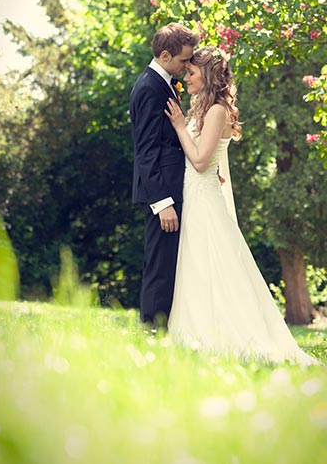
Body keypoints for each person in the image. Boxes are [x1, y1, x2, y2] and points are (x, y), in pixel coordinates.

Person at [164, 46, 316, 365]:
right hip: (195, 194)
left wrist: (179, 126)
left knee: (212, 265)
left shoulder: (217, 110)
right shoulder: (201, 108)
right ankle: (193, 332)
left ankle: (221, 336)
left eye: (191, 73)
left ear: (206, 76)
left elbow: (202, 161)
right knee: (195, 265)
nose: (186, 78)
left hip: (202, 199)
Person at [130, 23, 198, 330]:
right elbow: (145, 150)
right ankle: (151, 332)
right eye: (184, 60)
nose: (187, 66)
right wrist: (162, 202)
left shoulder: (164, 83)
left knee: (169, 265)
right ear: (166, 54)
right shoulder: (148, 88)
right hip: (162, 196)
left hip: (172, 191)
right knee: (159, 267)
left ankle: (163, 329)